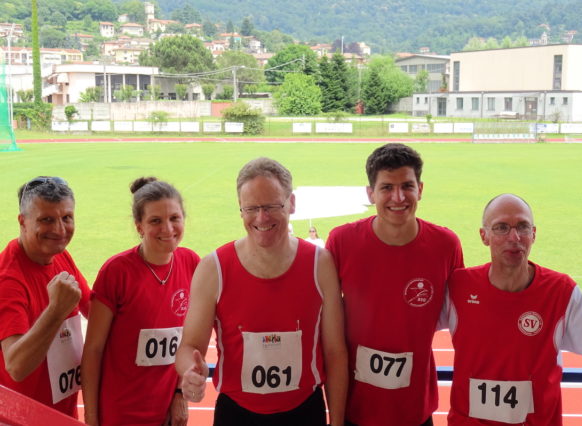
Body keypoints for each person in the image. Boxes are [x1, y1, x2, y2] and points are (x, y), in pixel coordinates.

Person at [176, 157, 348, 425]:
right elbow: (189, 346)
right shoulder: (214, 269)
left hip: (305, 411)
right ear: (240, 209)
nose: (261, 218)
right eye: (251, 208)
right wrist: (189, 371)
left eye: (271, 206)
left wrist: (337, 422)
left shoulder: (320, 264)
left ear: (291, 204)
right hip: (237, 414)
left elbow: (335, 353)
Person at [443, 193, 582, 425]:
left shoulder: (561, 292)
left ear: (534, 234)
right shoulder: (458, 287)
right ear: (484, 236)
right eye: (501, 228)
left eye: (523, 227)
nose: (514, 237)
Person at [326, 143, 464, 426]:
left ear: (420, 189)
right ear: (370, 193)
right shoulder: (341, 242)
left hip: (415, 412)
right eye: (387, 187)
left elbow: (462, 319)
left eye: (407, 186)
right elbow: (326, 327)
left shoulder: (446, 245)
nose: (398, 197)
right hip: (356, 409)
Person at [82, 177, 200, 426]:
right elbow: (93, 350)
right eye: (155, 221)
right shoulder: (117, 272)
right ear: (139, 226)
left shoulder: (191, 263)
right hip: (120, 413)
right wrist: (91, 419)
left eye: (174, 218)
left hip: (167, 412)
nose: (168, 229)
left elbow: (188, 340)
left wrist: (180, 394)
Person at [0, 176, 90, 418]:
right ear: (23, 222)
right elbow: (16, 366)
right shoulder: (8, 279)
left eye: (67, 218)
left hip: (62, 412)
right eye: (46, 220)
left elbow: (94, 307)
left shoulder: (58, 254)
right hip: (23, 418)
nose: (60, 230)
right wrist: (55, 312)